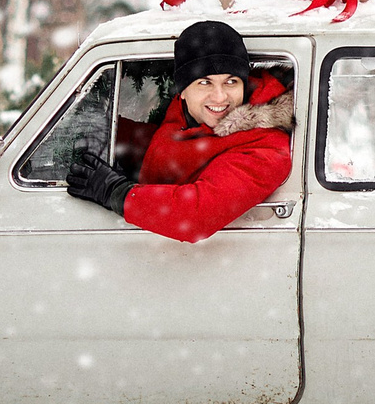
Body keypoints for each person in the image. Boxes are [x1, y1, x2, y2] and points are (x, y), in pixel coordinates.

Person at [64, 20, 293, 240]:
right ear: (183, 90)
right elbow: (171, 146)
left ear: (244, 83)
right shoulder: (189, 114)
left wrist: (118, 194)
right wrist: (104, 127)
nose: (220, 96)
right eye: (205, 82)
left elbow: (195, 214)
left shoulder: (267, 147)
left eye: (231, 81)